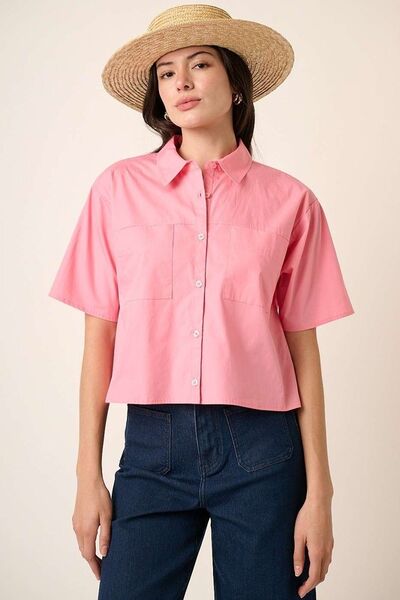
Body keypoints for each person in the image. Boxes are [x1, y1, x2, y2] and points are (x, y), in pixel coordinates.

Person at [48, 4, 355, 599]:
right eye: (166, 72)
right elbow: (99, 339)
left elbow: (304, 353)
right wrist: (88, 476)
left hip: (263, 450)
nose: (181, 82)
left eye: (200, 64)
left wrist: (320, 495)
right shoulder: (117, 190)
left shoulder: (291, 202)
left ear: (236, 83)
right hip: (151, 448)